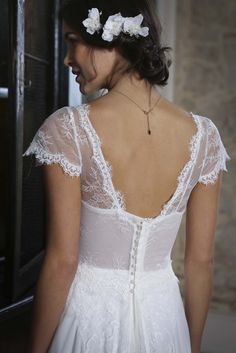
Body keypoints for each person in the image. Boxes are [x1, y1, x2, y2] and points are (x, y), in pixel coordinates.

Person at [22, 0, 231, 352]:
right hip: (166, 324)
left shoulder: (68, 130)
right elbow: (199, 262)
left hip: (87, 324)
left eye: (72, 41)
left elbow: (63, 262)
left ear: (112, 41)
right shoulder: (205, 138)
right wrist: (192, 344)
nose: (66, 59)